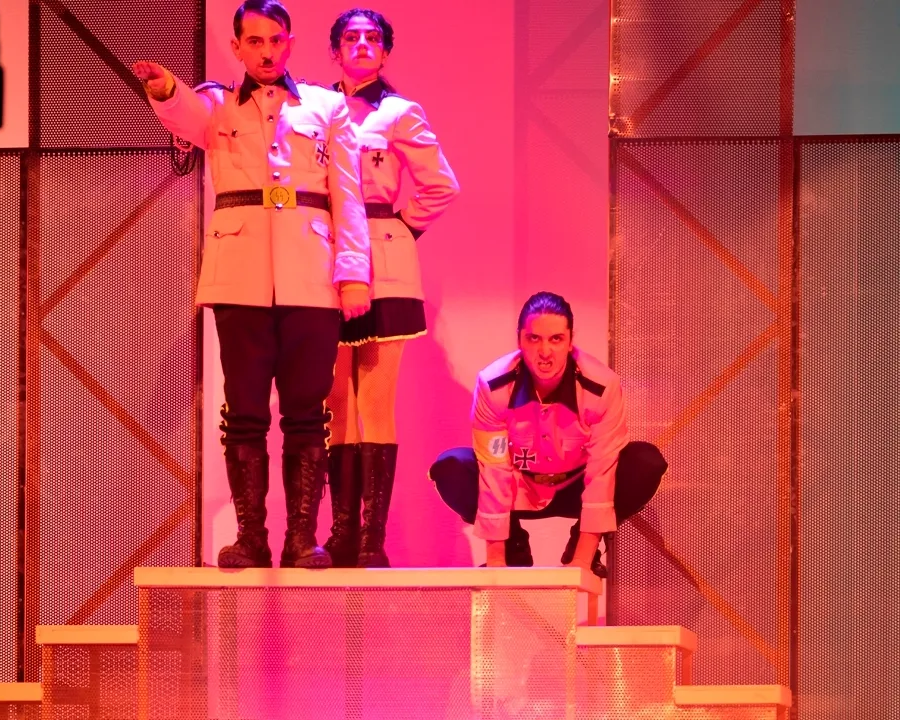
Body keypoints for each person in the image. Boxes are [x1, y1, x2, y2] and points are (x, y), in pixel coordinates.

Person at [133, 0, 371, 569]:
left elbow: (349, 195)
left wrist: (353, 274)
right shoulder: (216, 104)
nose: (267, 52)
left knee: (307, 411)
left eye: (276, 40)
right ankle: (250, 538)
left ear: (290, 44)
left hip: (311, 276)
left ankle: (301, 539)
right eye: (255, 41)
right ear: (237, 46)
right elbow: (185, 115)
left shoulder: (327, 107)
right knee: (243, 410)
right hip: (239, 276)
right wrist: (165, 89)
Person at [320, 9, 460, 568]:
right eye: (351, 38)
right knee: (336, 400)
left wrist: (400, 228)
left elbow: (441, 185)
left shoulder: (401, 112)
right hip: (327, 256)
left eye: (372, 38)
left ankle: (372, 539)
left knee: (375, 402)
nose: (361, 44)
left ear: (385, 52)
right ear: (334, 50)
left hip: (384, 258)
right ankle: (342, 532)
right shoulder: (315, 108)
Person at [428, 292, 666, 577]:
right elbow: (494, 468)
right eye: (534, 338)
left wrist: (581, 561)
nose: (545, 352)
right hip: (519, 487)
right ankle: (514, 547)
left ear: (570, 341)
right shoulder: (493, 387)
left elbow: (601, 473)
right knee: (451, 467)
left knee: (644, 462)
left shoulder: (602, 387)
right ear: (519, 340)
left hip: (576, 488)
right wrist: (496, 562)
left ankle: (581, 542)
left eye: (556, 339)